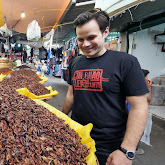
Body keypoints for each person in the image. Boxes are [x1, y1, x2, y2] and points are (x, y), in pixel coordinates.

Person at [62, 9, 149, 165]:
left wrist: (127, 150)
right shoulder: (75, 62)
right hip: (75, 139)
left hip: (109, 147)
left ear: (105, 32)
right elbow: (71, 94)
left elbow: (139, 107)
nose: (85, 44)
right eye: (80, 39)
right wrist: (60, 119)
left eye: (91, 37)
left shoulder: (126, 62)